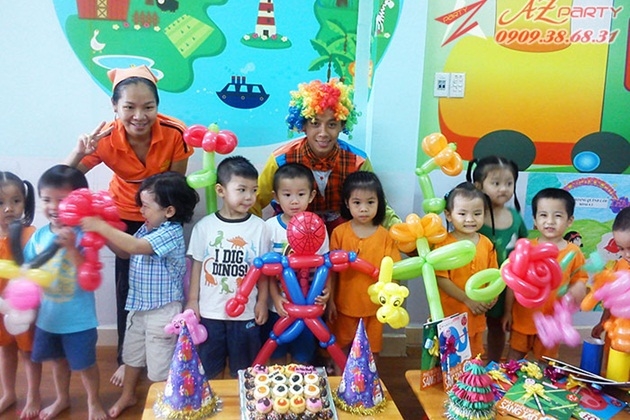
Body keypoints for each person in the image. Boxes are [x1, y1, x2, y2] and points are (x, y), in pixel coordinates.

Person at [65, 65, 194, 386]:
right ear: (114, 106)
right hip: (122, 213)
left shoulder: (175, 132)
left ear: (157, 106)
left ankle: (166, 354)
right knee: (128, 288)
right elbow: (64, 180)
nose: (139, 116)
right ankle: (127, 358)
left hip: (161, 214)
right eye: (129, 107)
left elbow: (175, 185)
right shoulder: (104, 137)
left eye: (148, 107)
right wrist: (79, 152)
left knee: (168, 286)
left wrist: (165, 220)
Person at [80, 172, 199, 418]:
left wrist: (100, 226)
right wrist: (103, 234)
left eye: (146, 206)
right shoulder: (147, 228)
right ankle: (128, 395)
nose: (141, 211)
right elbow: (125, 252)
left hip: (162, 311)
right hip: (139, 306)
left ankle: (164, 403)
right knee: (131, 356)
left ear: (169, 211)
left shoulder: (171, 232)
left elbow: (135, 247)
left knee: (159, 366)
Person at [253, 78, 400, 233]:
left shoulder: (358, 161)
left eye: (331, 124)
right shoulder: (280, 160)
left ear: (342, 125)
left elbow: (378, 204)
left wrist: (401, 231)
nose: (323, 133)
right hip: (290, 232)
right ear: (303, 125)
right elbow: (255, 200)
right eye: (315, 123)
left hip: (342, 235)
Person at [24, 164, 107, 420]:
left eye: (62, 200)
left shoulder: (86, 236)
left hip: (79, 320)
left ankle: (93, 402)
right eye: (46, 199)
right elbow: (29, 271)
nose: (53, 207)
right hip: (48, 318)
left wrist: (71, 248)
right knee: (58, 362)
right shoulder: (38, 236)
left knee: (85, 364)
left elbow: (89, 277)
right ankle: (62, 398)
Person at [186, 156, 270, 379]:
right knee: (209, 369)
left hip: (246, 314)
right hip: (210, 312)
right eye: (241, 190)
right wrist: (193, 300)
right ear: (221, 191)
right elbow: (197, 266)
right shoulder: (204, 227)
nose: (249, 197)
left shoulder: (260, 228)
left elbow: (263, 271)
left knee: (244, 372)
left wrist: (262, 301)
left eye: (254, 190)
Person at [327, 171, 401, 372]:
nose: (364, 209)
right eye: (357, 202)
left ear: (379, 203)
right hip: (343, 306)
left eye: (370, 202)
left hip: (375, 310)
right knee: (341, 348)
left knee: (372, 350)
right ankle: (340, 383)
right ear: (347, 203)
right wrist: (330, 300)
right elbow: (331, 272)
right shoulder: (339, 233)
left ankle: (369, 384)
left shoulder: (386, 236)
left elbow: (394, 274)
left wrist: (391, 304)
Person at [502, 187, 587, 361]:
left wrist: (577, 291)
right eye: (543, 215)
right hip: (523, 318)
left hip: (552, 322)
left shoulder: (574, 253)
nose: (550, 221)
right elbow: (513, 284)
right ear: (534, 220)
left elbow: (580, 281)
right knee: (514, 359)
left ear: (570, 220)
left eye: (558, 216)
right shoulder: (526, 249)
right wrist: (507, 312)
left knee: (547, 363)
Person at [262, 163, 330, 365]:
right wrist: (275, 298)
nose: (294, 201)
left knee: (303, 358)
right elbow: (266, 270)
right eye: (287, 195)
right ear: (276, 197)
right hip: (278, 308)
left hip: (308, 306)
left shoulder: (318, 227)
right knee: (276, 356)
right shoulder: (270, 227)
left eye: (301, 194)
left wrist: (328, 291)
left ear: (311, 196)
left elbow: (326, 264)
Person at [467, 156, 528, 363]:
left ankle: (493, 365)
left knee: (497, 327)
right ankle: (468, 369)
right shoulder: (471, 218)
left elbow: (524, 249)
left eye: (509, 183)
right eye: (496, 183)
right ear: (478, 185)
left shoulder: (515, 218)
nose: (503, 189)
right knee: (470, 328)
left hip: (504, 290)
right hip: (473, 286)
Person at [434, 182, 498, 358]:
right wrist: (467, 299)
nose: (470, 219)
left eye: (477, 213)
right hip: (450, 316)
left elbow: (495, 276)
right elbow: (440, 278)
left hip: (476, 315)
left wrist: (492, 297)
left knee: (474, 357)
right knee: (449, 358)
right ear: (449, 215)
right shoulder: (443, 245)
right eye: (462, 214)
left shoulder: (486, 244)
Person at [0, 172, 41, 419]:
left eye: (16, 201)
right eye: (1, 203)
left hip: (24, 308)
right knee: (5, 350)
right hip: (1, 308)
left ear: (25, 202)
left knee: (28, 352)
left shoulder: (31, 235)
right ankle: (8, 393)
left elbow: (36, 270)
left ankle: (34, 395)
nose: (9, 209)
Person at [591, 206, 630, 365]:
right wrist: (603, 322)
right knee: (613, 371)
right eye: (621, 249)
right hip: (615, 334)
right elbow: (611, 299)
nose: (627, 255)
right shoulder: (620, 265)